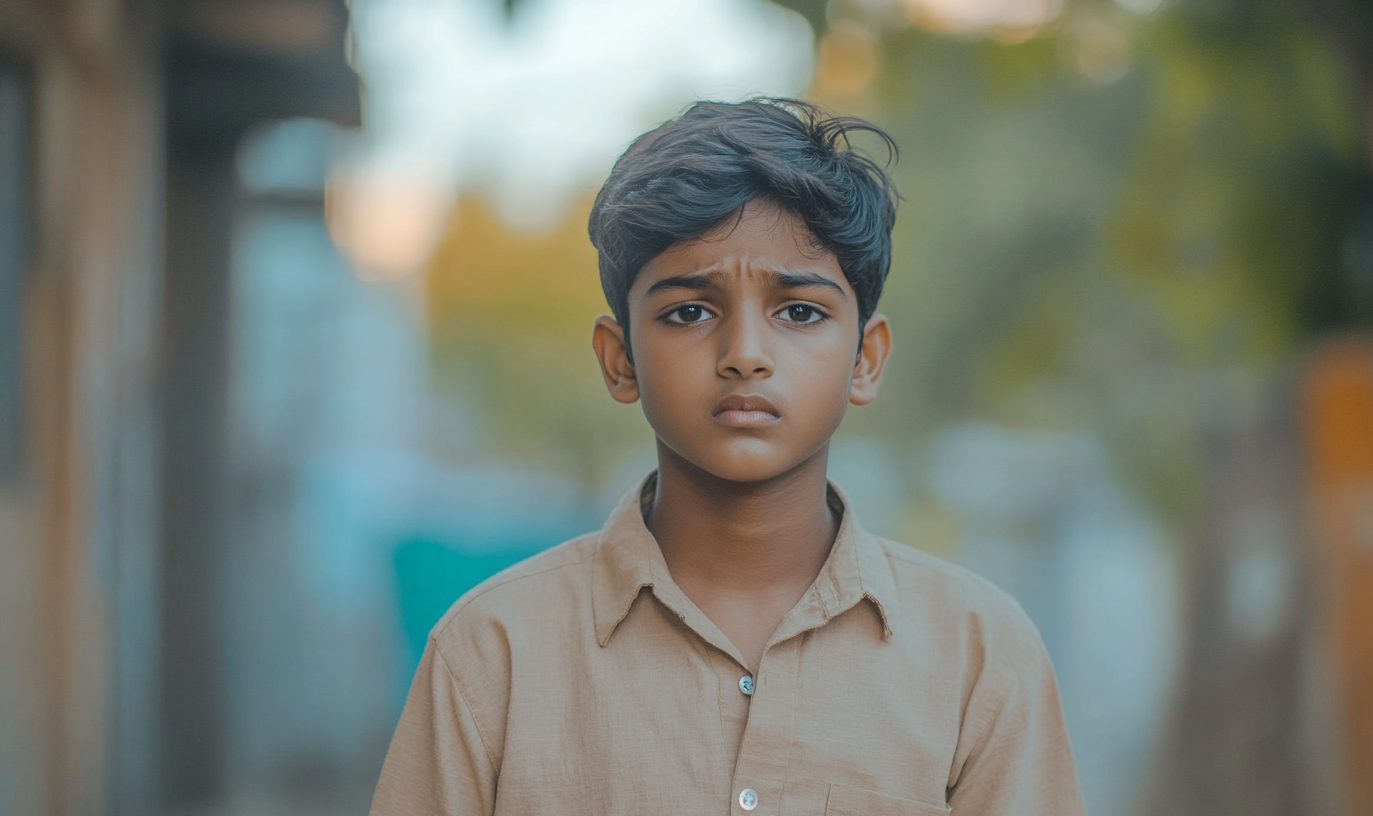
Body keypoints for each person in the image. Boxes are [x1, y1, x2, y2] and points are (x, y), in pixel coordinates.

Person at [369, 98, 1084, 816]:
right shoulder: (494, 654)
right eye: (689, 311)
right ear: (619, 361)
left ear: (866, 359)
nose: (744, 354)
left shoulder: (981, 656)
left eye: (799, 311)